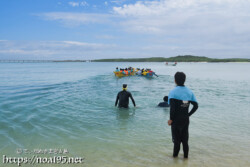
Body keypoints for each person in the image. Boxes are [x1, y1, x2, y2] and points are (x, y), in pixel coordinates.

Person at [168, 72, 198, 159]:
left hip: (176, 120)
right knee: (185, 140)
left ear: (175, 80)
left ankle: (175, 158)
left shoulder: (173, 92)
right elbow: (196, 106)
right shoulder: (189, 92)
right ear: (184, 80)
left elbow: (172, 108)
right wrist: (188, 115)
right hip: (185, 119)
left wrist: (170, 119)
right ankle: (185, 158)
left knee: (176, 141)